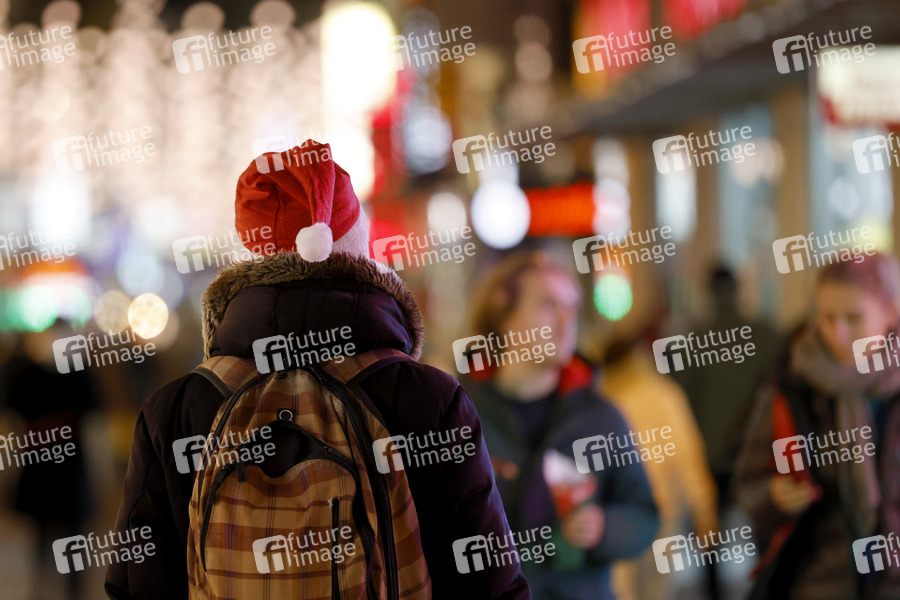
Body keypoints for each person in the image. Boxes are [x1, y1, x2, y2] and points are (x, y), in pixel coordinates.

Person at [105, 141, 529, 599]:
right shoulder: (430, 399)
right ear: (359, 254)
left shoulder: (175, 411)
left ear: (251, 256)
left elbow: (135, 584)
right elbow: (489, 581)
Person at [461, 251, 659, 600]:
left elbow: (645, 515)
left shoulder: (601, 417)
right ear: (504, 317)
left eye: (572, 307)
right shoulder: (459, 414)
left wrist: (604, 528)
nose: (567, 321)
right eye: (549, 305)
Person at [734, 252, 900, 600]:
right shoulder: (792, 384)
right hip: (818, 580)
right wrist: (774, 496)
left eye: (854, 317)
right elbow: (749, 481)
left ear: (890, 312)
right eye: (827, 317)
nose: (838, 332)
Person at [601, 336, 718, 600]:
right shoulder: (663, 394)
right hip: (662, 512)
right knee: (659, 592)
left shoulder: (601, 402)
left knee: (621, 591)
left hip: (618, 516)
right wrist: (704, 511)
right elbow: (687, 456)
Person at [0, 321, 98, 600]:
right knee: (51, 532)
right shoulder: (69, 373)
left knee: (59, 533)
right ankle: (56, 588)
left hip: (54, 465)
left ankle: (59, 588)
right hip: (55, 466)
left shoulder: (66, 373)